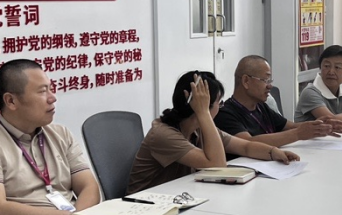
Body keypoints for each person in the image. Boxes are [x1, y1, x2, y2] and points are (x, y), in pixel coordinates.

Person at [0, 59, 101, 215]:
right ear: (11, 101)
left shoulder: (60, 133)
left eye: (51, 89)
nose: (52, 98)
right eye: (42, 91)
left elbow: (89, 186)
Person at [127, 71, 300, 194]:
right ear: (202, 105)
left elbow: (245, 146)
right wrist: (203, 113)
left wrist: (273, 152)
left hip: (178, 197)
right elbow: (217, 165)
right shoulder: (163, 134)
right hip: (146, 207)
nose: (221, 107)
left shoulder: (199, 129)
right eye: (219, 102)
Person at [215, 55, 342, 146]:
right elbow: (247, 143)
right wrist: (297, 134)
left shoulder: (261, 107)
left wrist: (318, 126)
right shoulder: (225, 113)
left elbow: (290, 126)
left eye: (270, 80)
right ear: (246, 81)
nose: (270, 86)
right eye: (265, 80)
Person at [294, 45, 342, 126]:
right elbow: (332, 123)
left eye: (337, 67)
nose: (331, 72)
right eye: (326, 66)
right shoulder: (310, 92)